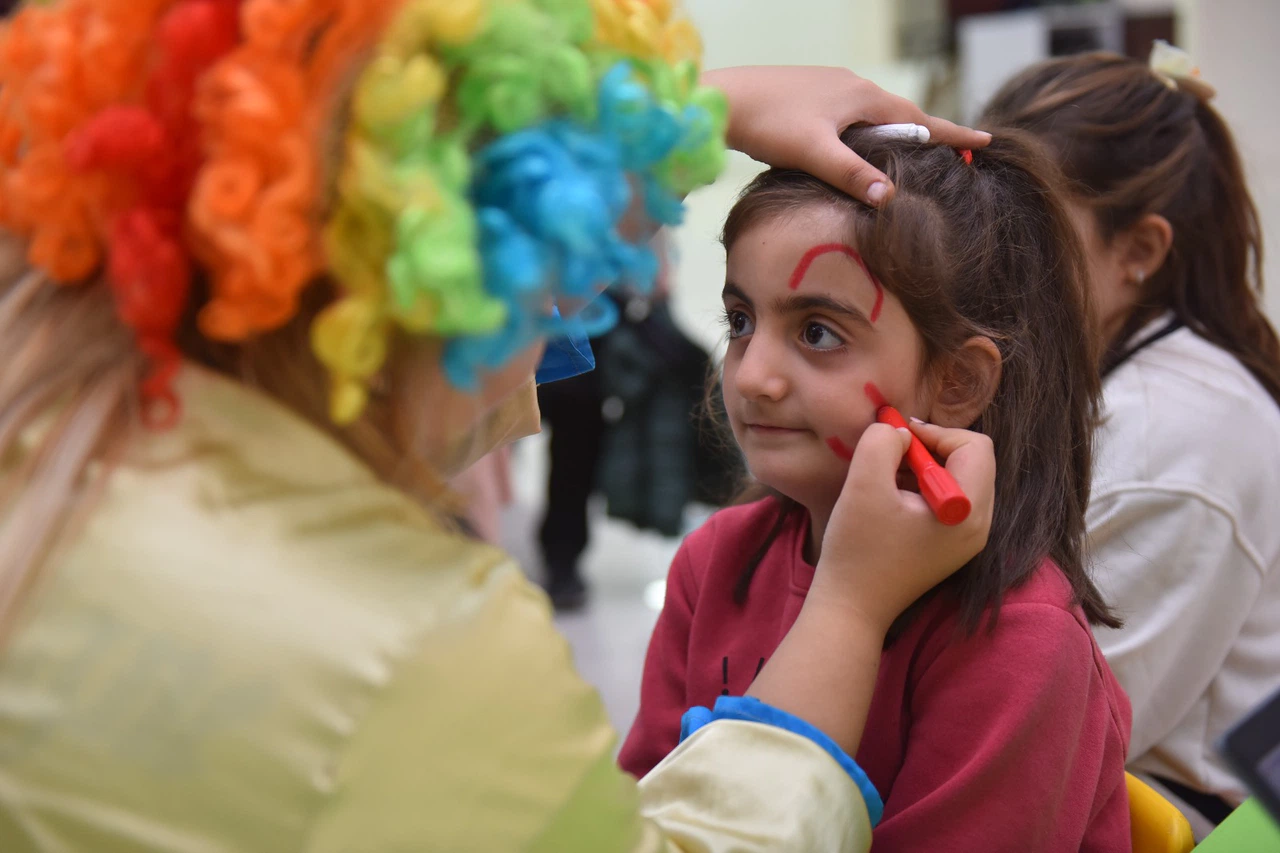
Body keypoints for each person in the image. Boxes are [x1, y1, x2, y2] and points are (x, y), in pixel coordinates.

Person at [0, 0, 995, 849]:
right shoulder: (413, 648)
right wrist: (850, 606)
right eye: (556, 300)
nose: (561, 344)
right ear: (441, 290)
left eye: (817, 329)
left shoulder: (43, 399)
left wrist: (675, 117)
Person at [619, 126, 1133, 851]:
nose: (752, 374)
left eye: (818, 333)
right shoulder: (715, 561)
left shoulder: (1019, 639)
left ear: (956, 382)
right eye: (741, 320)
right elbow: (643, 805)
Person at [982, 45, 1280, 837]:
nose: (978, 257)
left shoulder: (1172, 437)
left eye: (1024, 230)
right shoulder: (1110, 378)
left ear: (1139, 253)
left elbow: (1058, 735)